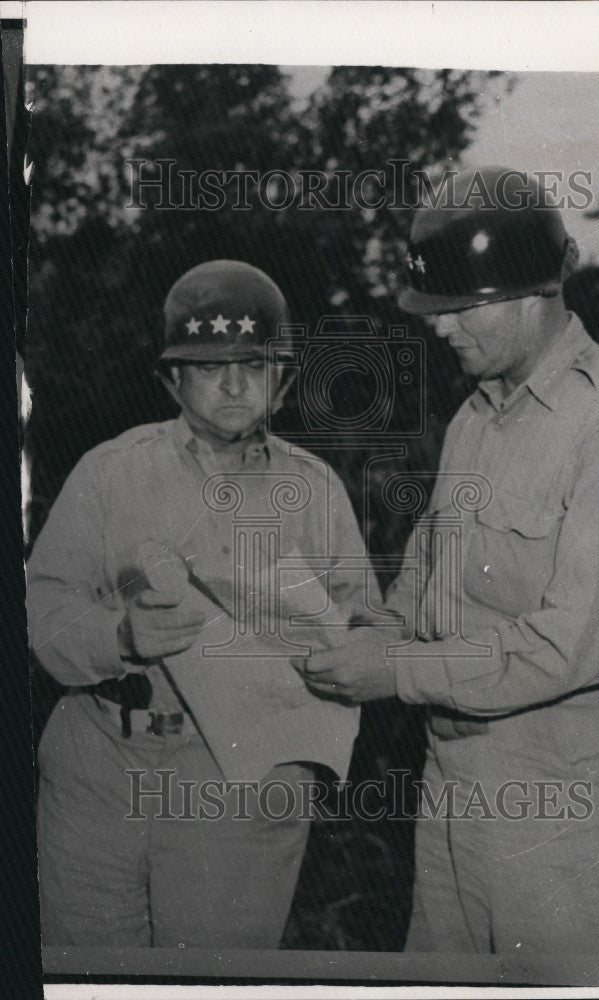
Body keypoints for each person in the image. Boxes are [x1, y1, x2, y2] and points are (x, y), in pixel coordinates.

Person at [293, 167, 599, 953]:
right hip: (451, 773)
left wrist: (394, 672)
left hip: (554, 791)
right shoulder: (479, 415)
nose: (439, 329)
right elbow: (429, 565)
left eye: (458, 309)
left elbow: (568, 645)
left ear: (536, 291)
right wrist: (372, 627)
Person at [27, 259, 377, 949]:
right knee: (85, 975)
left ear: (282, 378)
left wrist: (350, 651)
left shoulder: (315, 489)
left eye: (255, 363)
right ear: (170, 377)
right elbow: (41, 607)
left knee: (212, 980)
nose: (234, 383)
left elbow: (364, 617)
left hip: (242, 776)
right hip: (100, 761)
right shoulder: (109, 472)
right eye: (209, 364)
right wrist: (120, 635)